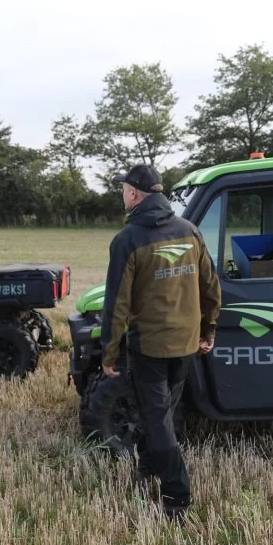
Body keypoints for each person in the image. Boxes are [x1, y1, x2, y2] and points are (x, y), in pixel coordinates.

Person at [99, 163, 221, 522]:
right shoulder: (190, 231)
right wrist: (208, 330)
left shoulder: (128, 240)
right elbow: (211, 287)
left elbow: (116, 303)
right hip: (185, 345)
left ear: (135, 193)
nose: (121, 194)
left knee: (159, 421)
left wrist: (110, 352)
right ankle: (148, 468)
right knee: (160, 413)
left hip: (149, 348)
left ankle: (177, 499)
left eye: (123, 188)